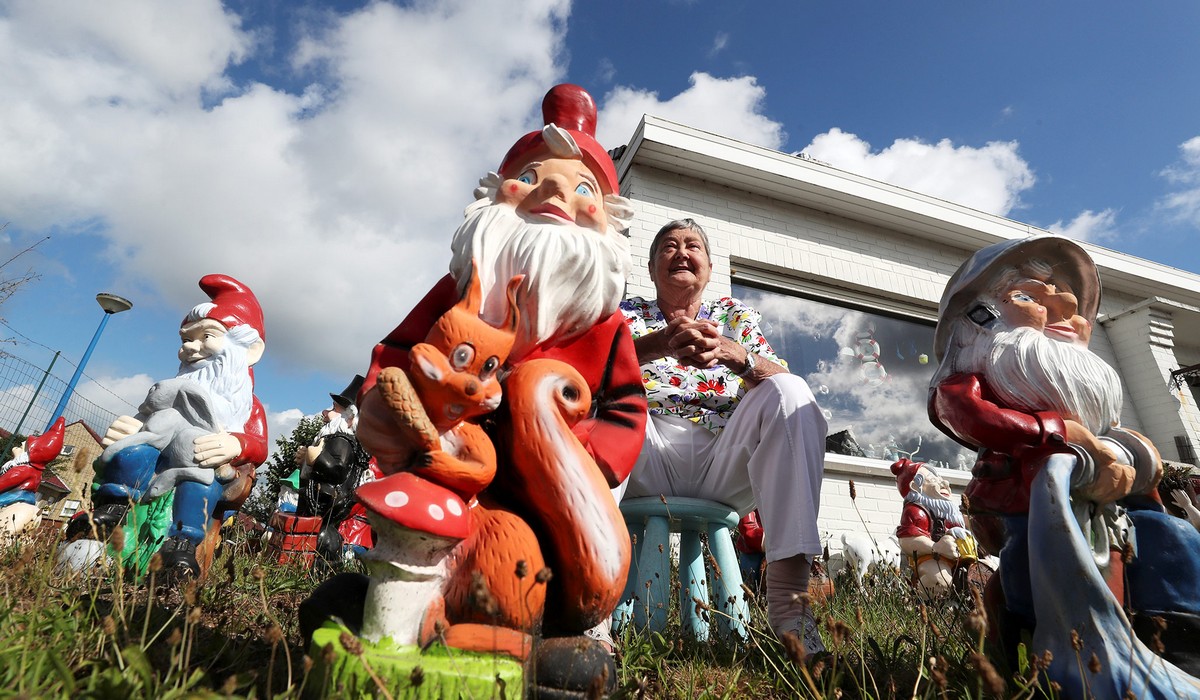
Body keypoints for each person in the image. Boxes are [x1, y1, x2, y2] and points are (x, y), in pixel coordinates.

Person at [309, 84, 647, 694]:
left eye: (582, 189)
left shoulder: (604, 326)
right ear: (496, 193)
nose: (553, 193)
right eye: (533, 175)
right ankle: (392, 616)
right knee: (405, 554)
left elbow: (626, 411)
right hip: (436, 470)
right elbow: (395, 355)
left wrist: (572, 458)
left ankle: (520, 642)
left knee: (508, 566)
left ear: (606, 220)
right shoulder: (457, 292)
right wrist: (386, 408)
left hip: (534, 510)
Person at [929, 234, 1200, 677]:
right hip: (1022, 496)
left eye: (1070, 306)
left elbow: (1112, 438)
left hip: (1109, 496)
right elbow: (970, 415)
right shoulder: (967, 380)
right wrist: (1058, 433)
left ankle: (1177, 643)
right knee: (1031, 564)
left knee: (1169, 537)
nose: (1061, 314)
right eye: (1029, 297)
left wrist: (1131, 454)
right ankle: (1030, 643)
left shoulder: (1076, 377)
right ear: (980, 317)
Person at [617, 218, 828, 655]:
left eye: (692, 246)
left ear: (709, 268)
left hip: (724, 458)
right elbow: (587, 366)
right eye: (669, 247)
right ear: (653, 267)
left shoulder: (733, 316)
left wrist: (738, 355)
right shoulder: (626, 313)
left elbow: (782, 378)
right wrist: (655, 346)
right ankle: (590, 611)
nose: (681, 253)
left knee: (790, 391)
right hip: (642, 450)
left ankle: (789, 605)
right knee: (593, 391)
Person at [67, 274, 268, 579]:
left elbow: (258, 445)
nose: (191, 347)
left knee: (199, 480)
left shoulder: (245, 406)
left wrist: (236, 444)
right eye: (186, 339)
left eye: (206, 336)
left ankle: (182, 544)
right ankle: (114, 509)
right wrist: (131, 429)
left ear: (249, 349)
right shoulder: (170, 393)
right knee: (132, 453)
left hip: (205, 467)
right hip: (155, 464)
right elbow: (147, 420)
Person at [891, 458, 977, 597]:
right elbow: (908, 541)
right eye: (933, 479)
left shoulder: (951, 511)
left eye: (941, 478)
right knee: (939, 580)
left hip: (964, 558)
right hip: (932, 558)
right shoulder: (916, 511)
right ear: (915, 486)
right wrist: (936, 547)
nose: (945, 483)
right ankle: (928, 608)